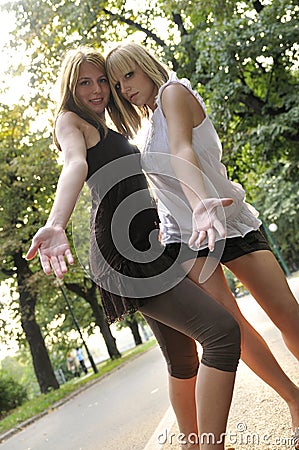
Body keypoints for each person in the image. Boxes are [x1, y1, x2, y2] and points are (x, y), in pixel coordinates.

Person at [25, 47, 241, 449]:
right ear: (70, 87)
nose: (97, 90)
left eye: (102, 80)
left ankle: (194, 443)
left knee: (184, 362)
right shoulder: (70, 122)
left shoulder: (104, 125)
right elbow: (74, 164)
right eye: (85, 82)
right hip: (123, 256)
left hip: (146, 246)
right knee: (222, 333)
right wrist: (56, 223)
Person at [105, 42, 299, 447]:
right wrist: (167, 221)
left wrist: (200, 205)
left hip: (226, 219)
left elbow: (182, 149)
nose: (124, 88)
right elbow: (164, 182)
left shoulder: (174, 93)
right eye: (117, 82)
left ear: (146, 68)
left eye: (129, 75)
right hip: (188, 240)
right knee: (235, 331)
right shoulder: (145, 126)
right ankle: (295, 402)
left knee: (285, 313)